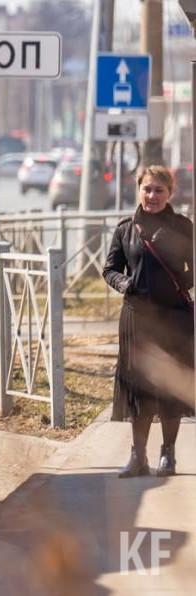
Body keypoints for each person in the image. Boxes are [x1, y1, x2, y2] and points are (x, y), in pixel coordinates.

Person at [102, 165, 195, 478]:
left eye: (159, 190)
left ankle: (168, 455)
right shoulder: (126, 228)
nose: (152, 195)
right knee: (138, 387)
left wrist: (177, 286)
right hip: (137, 318)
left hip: (174, 319)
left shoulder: (182, 226)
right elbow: (110, 269)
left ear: (170, 193)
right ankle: (138, 456)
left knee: (170, 387)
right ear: (138, 190)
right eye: (147, 189)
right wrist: (125, 284)